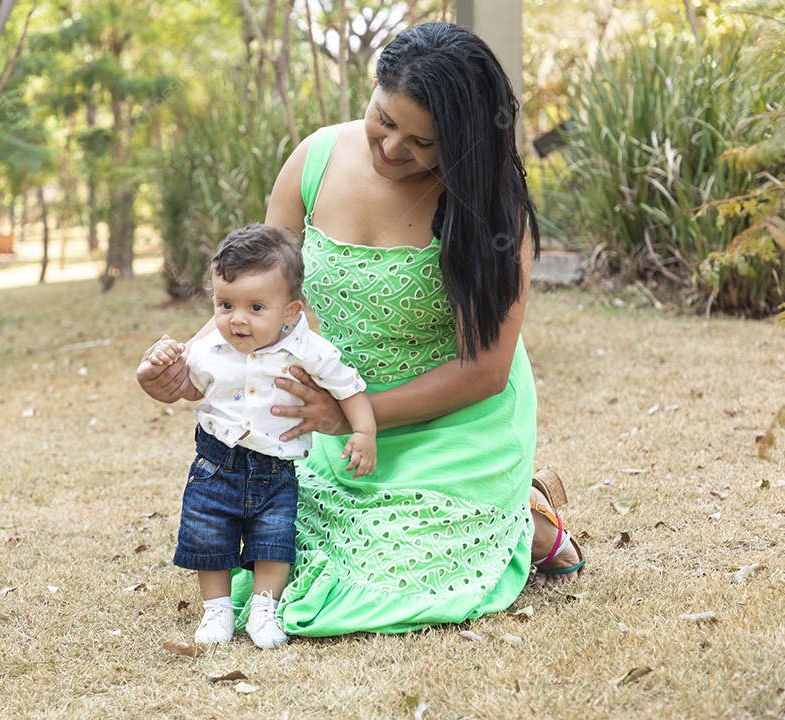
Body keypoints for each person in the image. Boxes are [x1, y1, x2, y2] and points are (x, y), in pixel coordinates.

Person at [139, 21, 584, 637]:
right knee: (272, 561)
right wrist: (186, 367)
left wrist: (349, 413)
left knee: (389, 581)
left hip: (451, 425)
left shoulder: (488, 205)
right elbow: (256, 300)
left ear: (462, 144)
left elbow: (485, 370)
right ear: (372, 89)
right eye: (384, 118)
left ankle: (521, 519)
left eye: (423, 142)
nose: (393, 148)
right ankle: (519, 514)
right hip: (336, 420)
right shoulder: (315, 160)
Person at [137, 223, 378, 648]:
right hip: (215, 464)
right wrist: (160, 366)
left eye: (255, 308)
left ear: (289, 312)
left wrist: (363, 431)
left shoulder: (308, 349)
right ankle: (217, 611)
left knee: (273, 541)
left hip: (274, 469)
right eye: (225, 304)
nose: (237, 319)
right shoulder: (209, 347)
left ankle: (264, 609)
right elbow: (189, 388)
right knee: (208, 535)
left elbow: (349, 387)